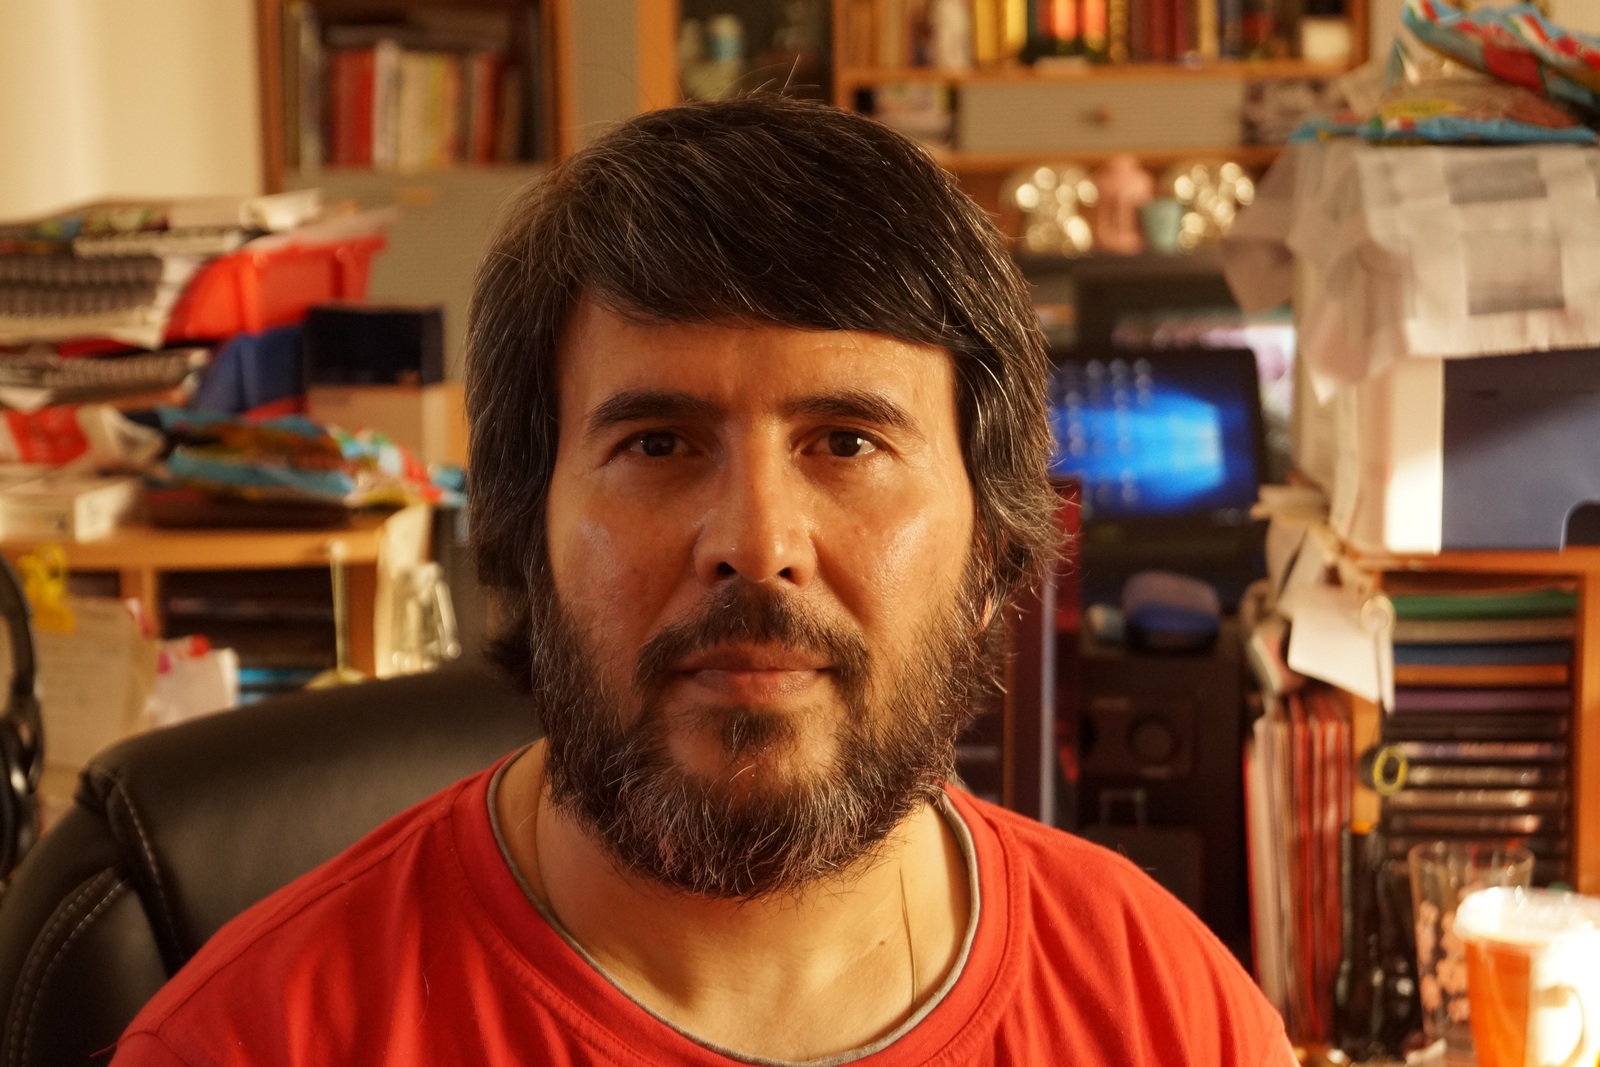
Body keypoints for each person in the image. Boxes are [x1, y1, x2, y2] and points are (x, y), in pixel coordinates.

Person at [112, 97, 1293, 1066]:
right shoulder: (249, 1039)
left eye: (846, 441)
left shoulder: (1173, 1016)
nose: (755, 541)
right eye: (659, 443)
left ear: (992, 544)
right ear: (523, 531)